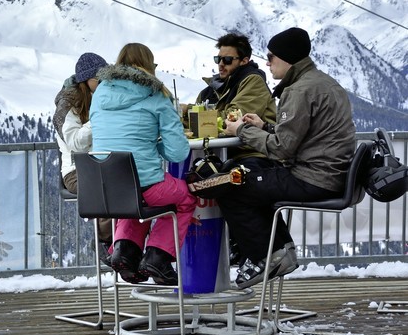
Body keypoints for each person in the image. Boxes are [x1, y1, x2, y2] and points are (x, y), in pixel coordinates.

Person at [221, 27, 356, 289]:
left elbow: (281, 149)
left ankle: (266, 257)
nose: (267, 63)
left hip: (313, 178)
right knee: (254, 179)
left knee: (232, 186)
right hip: (330, 174)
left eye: (271, 57)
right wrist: (265, 126)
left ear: (287, 58)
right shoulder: (323, 82)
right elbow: (304, 135)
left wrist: (241, 130)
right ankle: (280, 252)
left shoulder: (299, 90)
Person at [90, 43, 195, 285]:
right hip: (144, 185)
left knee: (133, 199)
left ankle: (124, 252)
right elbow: (178, 152)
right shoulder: (156, 94)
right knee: (185, 198)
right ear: (149, 65)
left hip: (106, 186)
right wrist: (155, 146)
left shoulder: (101, 91)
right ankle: (158, 257)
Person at [53, 52, 112, 257]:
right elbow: (75, 142)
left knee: (127, 184)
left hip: (99, 165)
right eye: (100, 78)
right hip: (75, 171)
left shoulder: (97, 97)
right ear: (87, 80)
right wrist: (98, 119)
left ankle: (124, 243)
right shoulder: (68, 104)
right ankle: (105, 241)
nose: (104, 82)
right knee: (110, 190)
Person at [195, 33, 277, 162]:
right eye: (218, 59)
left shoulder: (253, 81)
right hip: (216, 154)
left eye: (227, 60)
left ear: (244, 61)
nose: (221, 64)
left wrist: (191, 114)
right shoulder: (208, 91)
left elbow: (234, 118)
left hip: (251, 154)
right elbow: (194, 126)